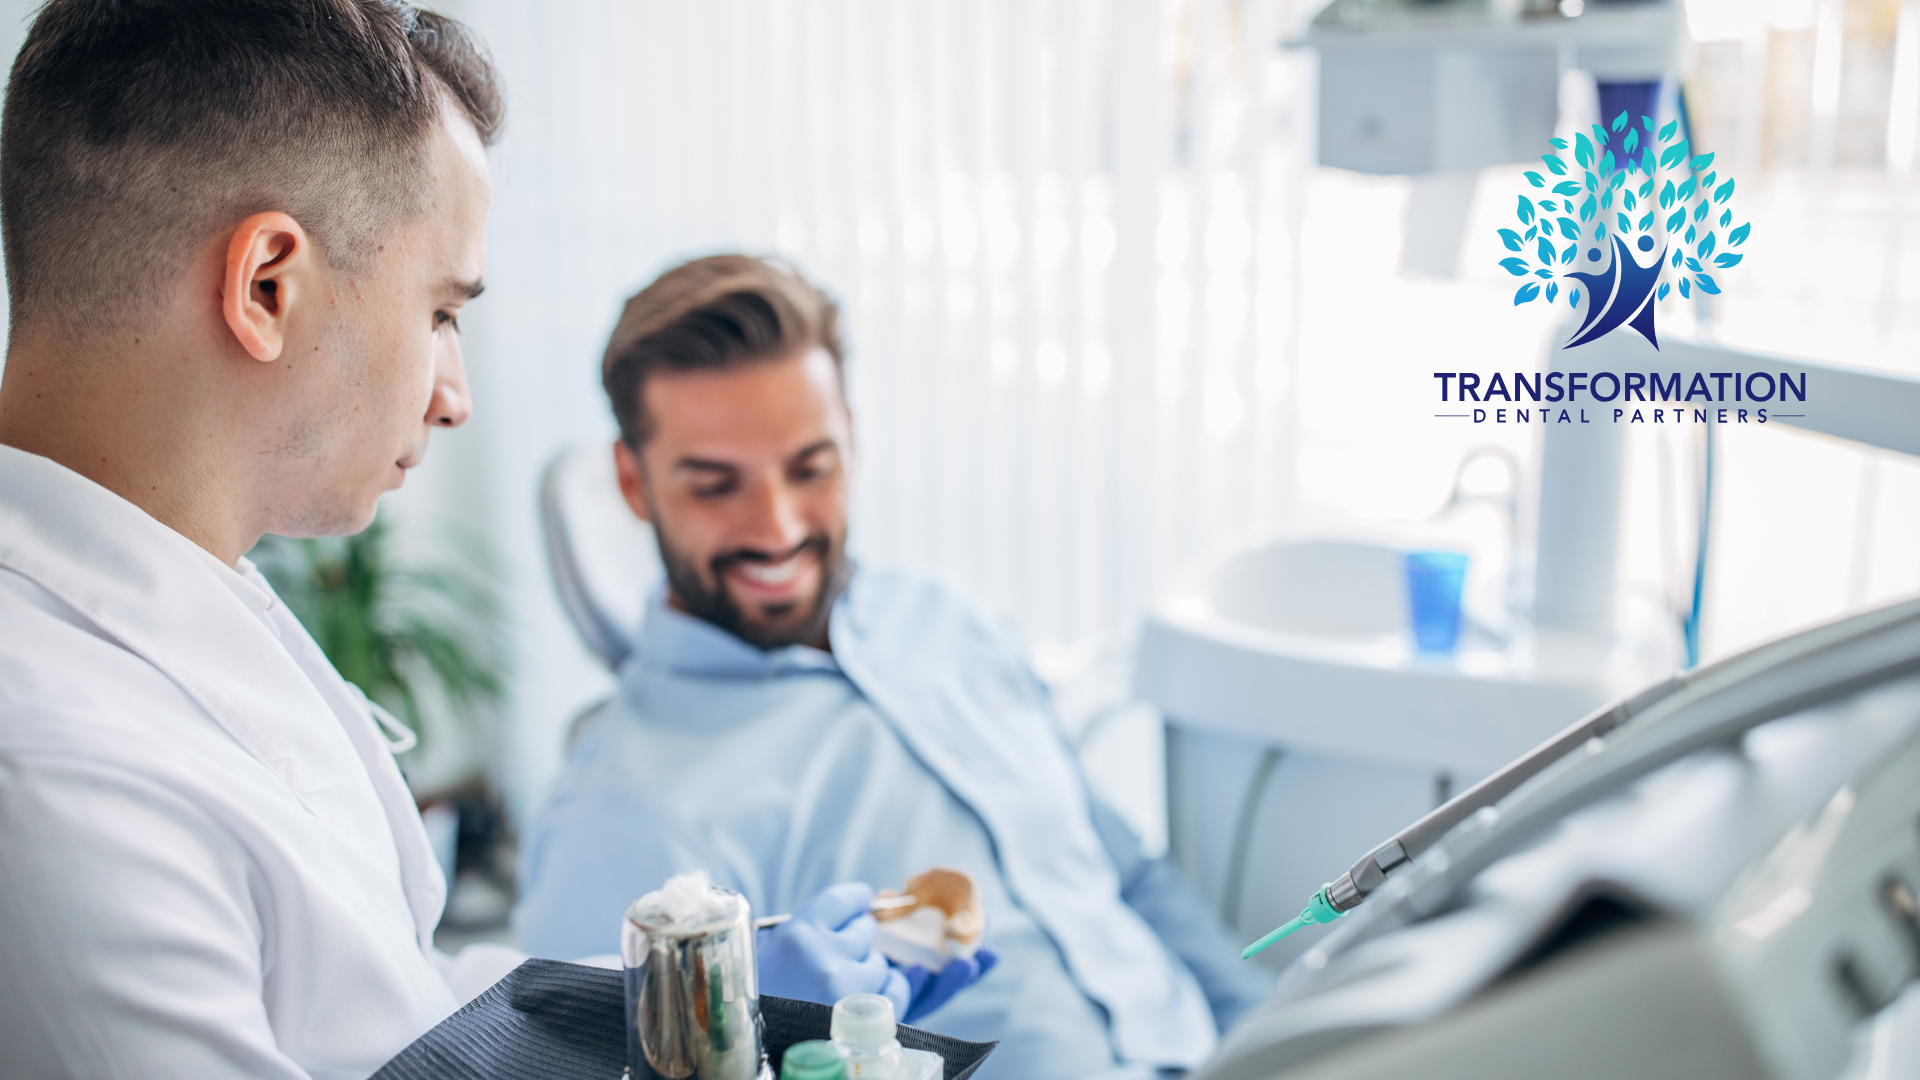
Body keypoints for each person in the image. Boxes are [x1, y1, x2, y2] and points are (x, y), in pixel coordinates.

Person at [0, 6, 920, 1078]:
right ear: (267, 289)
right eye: (441, 309)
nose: (456, 398)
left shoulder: (180, 594)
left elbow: (391, 1009)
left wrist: (698, 993)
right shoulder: (52, 776)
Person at [513, 255, 1274, 1078]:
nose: (777, 527)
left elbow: (1125, 872)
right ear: (635, 481)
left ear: (853, 439)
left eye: (811, 468)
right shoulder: (620, 818)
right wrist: (763, 1029)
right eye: (715, 485)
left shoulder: (944, 621)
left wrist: (1277, 1032)